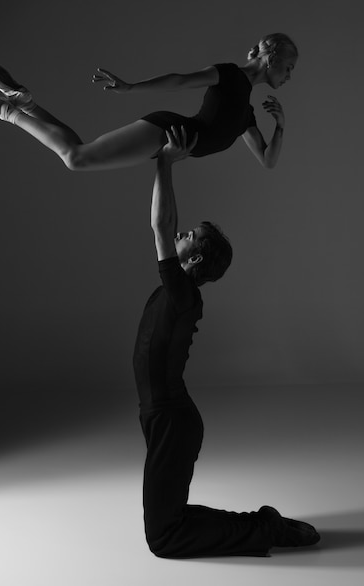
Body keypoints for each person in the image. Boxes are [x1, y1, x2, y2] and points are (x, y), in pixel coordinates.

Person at [133, 125, 320, 558]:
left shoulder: (182, 293)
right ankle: (262, 524)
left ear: (194, 258)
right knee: (167, 521)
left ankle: (265, 531)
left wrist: (165, 161)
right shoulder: (177, 291)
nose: (180, 234)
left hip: (171, 422)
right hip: (161, 419)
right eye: (186, 232)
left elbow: (161, 225)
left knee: (163, 540)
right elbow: (166, 229)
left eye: (190, 236)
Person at [0, 33, 297, 172]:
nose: (289, 75)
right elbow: (180, 79)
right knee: (76, 158)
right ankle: (6, 109)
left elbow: (268, 161)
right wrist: (130, 88)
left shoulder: (247, 116)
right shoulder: (229, 75)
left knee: (79, 153)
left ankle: (25, 104)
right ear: (271, 58)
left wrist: (280, 126)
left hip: (169, 144)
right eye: (289, 66)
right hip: (168, 131)